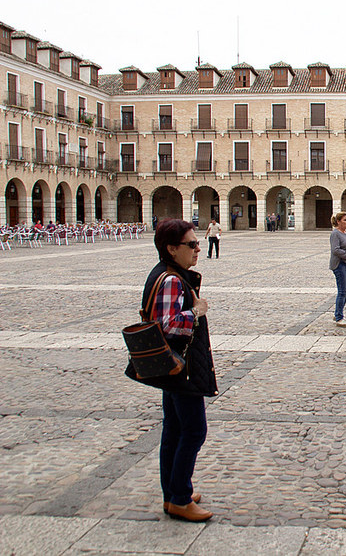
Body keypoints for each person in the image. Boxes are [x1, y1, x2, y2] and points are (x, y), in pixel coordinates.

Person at [125, 219, 218, 522]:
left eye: (196, 242)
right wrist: (196, 311)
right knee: (193, 430)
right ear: (171, 248)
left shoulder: (165, 272)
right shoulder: (171, 280)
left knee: (174, 429)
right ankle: (178, 497)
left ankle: (174, 490)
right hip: (181, 365)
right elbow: (169, 325)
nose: (197, 248)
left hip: (172, 364)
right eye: (191, 244)